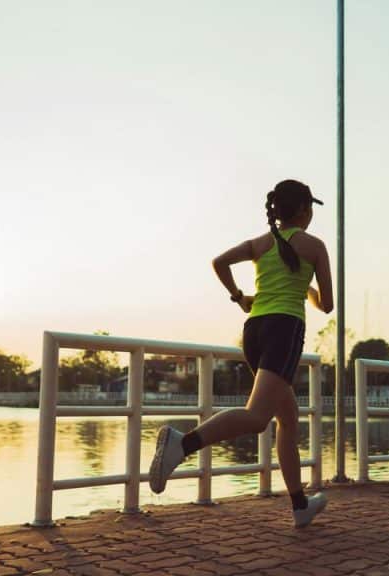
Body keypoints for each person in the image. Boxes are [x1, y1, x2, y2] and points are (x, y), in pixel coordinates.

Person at [148, 179, 334, 528]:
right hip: (285, 329)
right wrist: (304, 286)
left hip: (254, 331)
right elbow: (327, 304)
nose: (311, 215)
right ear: (303, 210)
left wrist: (240, 297)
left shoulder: (261, 244)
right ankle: (182, 444)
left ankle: (299, 506)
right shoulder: (315, 247)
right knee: (258, 416)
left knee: (288, 418)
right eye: (310, 209)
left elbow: (219, 262)